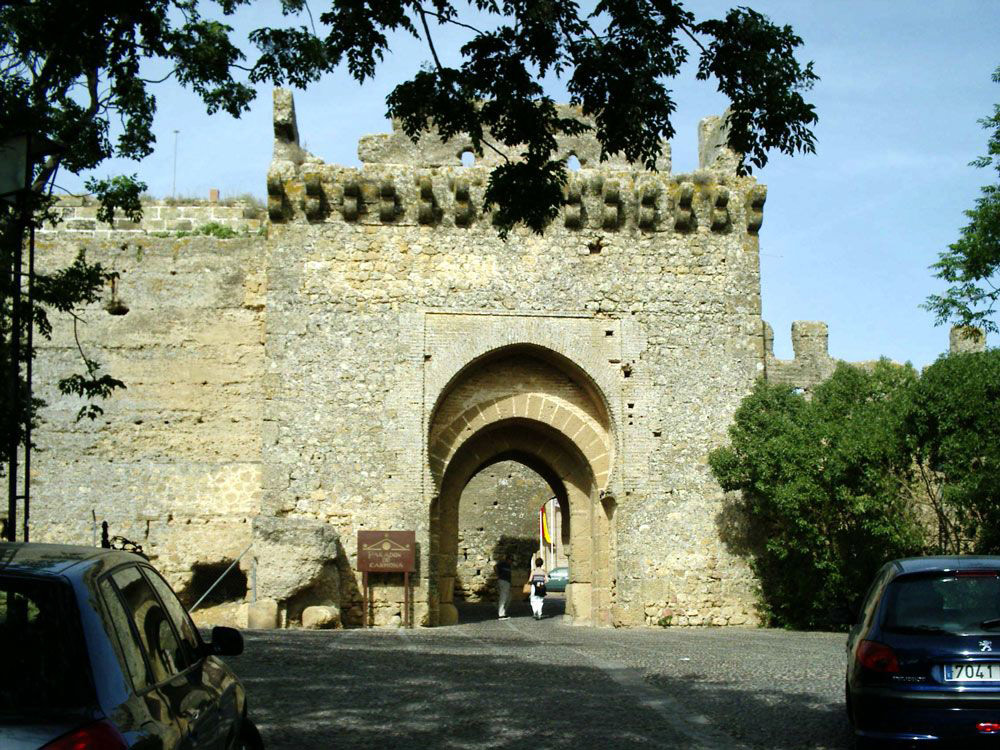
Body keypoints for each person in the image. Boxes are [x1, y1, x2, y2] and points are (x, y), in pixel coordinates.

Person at [495, 555, 512, 619]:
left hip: (507, 582)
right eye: (510, 560)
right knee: (503, 597)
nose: (511, 561)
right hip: (503, 581)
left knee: (509, 597)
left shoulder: (509, 566)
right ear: (507, 559)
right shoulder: (503, 564)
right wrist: (498, 575)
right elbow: (495, 567)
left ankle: (503, 611)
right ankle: (501, 614)